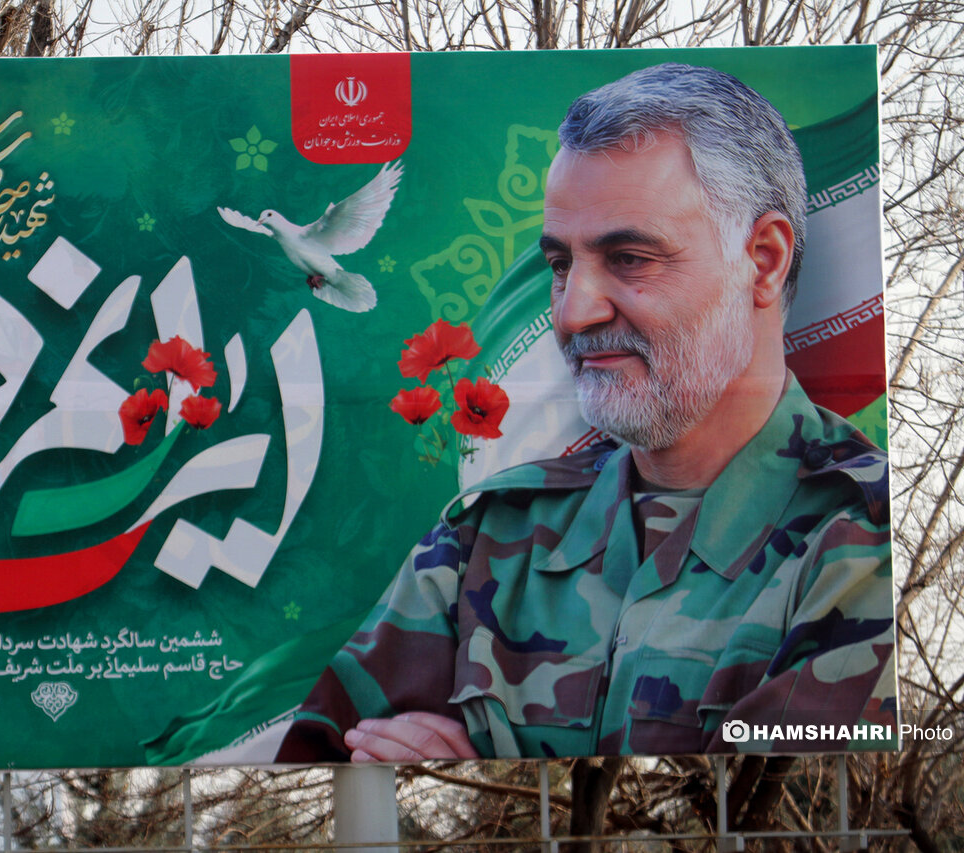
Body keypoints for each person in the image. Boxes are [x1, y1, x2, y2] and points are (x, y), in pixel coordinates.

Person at [276, 63, 893, 760]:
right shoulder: (486, 536)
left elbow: (773, 810)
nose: (572, 313)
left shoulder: (866, 540)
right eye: (561, 265)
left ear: (763, 260)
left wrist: (482, 785)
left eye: (628, 258)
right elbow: (313, 770)